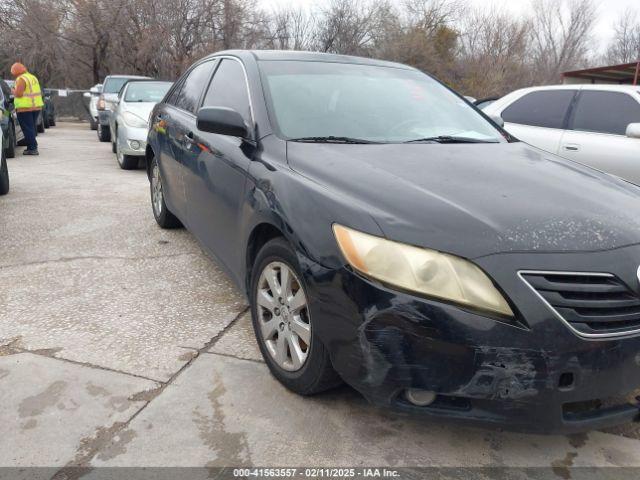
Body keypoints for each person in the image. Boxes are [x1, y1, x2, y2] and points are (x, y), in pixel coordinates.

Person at [10, 62, 43, 156]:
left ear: (16, 71)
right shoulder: (32, 77)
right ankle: (32, 146)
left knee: (27, 128)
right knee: (31, 128)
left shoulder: (21, 79)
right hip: (36, 107)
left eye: (13, 72)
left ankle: (32, 148)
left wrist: (12, 90)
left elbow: (19, 94)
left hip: (25, 108)